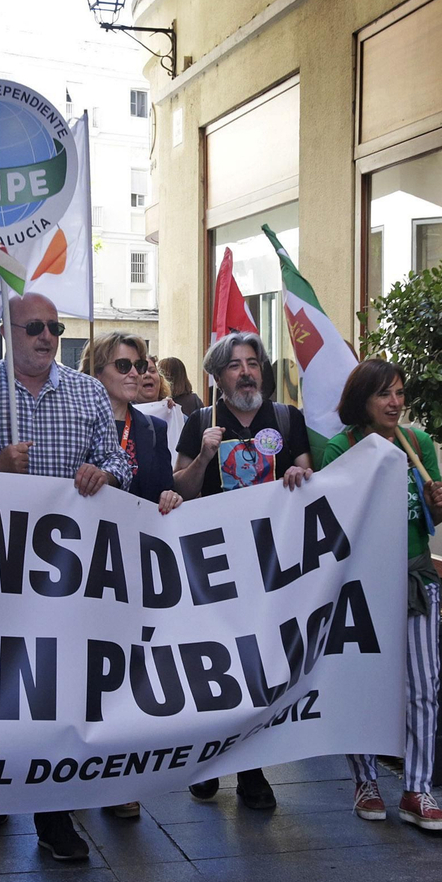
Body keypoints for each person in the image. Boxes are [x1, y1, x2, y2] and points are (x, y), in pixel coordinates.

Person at [0, 292, 131, 862]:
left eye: (54, 326)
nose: (46, 337)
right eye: (34, 328)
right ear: (7, 332)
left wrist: (106, 472)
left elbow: (118, 461)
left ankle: (53, 815)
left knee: (56, 687)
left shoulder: (89, 391)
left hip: (65, 574)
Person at [173, 332, 313, 810]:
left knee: (256, 669)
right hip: (213, 567)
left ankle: (252, 772)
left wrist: (299, 475)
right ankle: (205, 762)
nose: (247, 372)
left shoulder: (287, 419)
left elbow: (311, 480)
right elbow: (179, 492)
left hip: (270, 566)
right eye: (235, 365)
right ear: (217, 376)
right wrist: (205, 455)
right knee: (212, 669)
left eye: (253, 363)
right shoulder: (199, 422)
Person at [319, 359, 442, 831]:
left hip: (415, 576)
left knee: (423, 687)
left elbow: (432, 518)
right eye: (384, 395)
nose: (395, 403)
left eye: (399, 393)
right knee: (363, 682)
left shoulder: (418, 444)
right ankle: (366, 781)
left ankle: (418, 789)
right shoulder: (341, 448)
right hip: (362, 584)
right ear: (363, 401)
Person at [82, 331, 185, 820]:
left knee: (121, 674)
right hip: (79, 567)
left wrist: (170, 498)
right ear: (97, 370)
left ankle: (119, 779)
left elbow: (161, 490)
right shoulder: (79, 419)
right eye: (123, 365)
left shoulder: (150, 428)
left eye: (141, 364)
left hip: (130, 568)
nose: (137, 373)